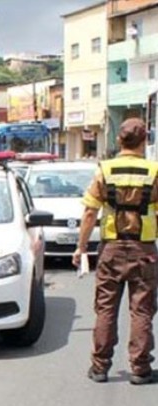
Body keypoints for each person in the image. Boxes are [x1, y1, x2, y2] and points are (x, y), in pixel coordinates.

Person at [74, 117, 158, 386]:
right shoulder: (154, 171)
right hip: (145, 250)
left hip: (111, 249)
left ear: (119, 140)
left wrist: (81, 247)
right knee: (142, 310)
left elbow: (90, 212)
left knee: (106, 309)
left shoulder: (105, 170)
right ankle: (140, 368)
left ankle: (99, 367)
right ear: (145, 140)